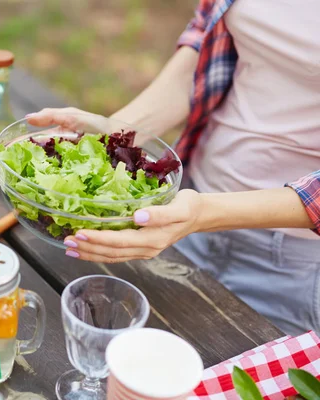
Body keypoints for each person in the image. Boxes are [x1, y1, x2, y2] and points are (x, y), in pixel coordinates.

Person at [26, 0, 320, 335]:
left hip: (292, 265)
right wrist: (115, 131)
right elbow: (202, 52)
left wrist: (203, 213)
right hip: (188, 207)